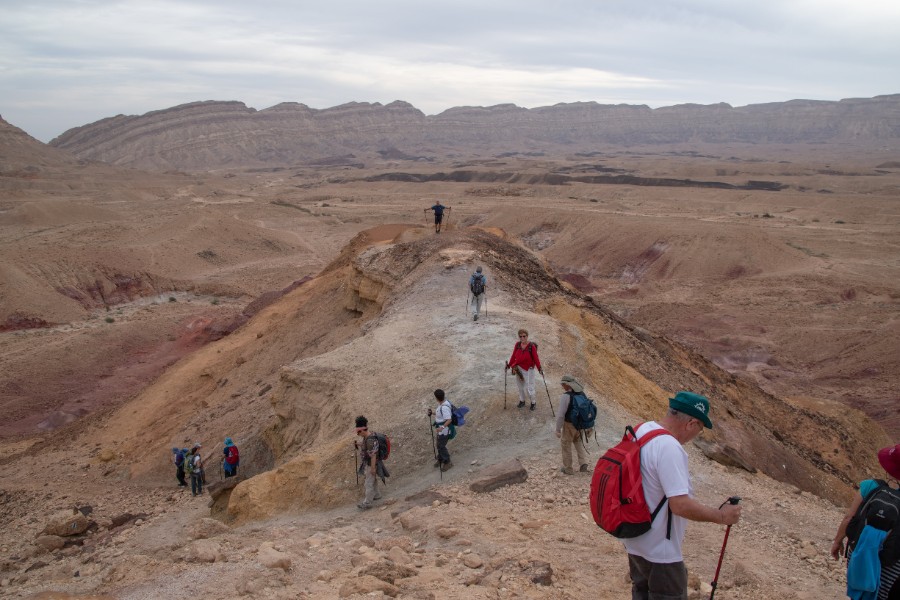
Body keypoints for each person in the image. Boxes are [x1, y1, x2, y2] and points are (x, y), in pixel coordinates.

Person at [623, 391, 742, 600]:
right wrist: (721, 516)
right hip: (661, 552)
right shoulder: (669, 447)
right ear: (691, 423)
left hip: (634, 539)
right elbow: (679, 505)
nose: (696, 434)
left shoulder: (641, 430)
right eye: (699, 429)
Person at [831, 443, 900, 600]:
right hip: (892, 561)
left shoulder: (869, 486)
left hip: (859, 549)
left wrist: (837, 541)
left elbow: (849, 517)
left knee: (859, 593)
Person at [555, 375, 590, 475]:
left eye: (563, 384)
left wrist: (558, 429)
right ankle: (583, 464)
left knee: (566, 444)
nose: (562, 386)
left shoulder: (566, 396)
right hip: (580, 424)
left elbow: (561, 415)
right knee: (578, 442)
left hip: (569, 424)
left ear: (567, 385)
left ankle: (568, 469)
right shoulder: (582, 394)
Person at [506, 329, 543, 411]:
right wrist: (509, 365)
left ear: (527, 336)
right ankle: (522, 401)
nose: (522, 338)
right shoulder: (517, 345)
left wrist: (539, 368)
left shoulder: (531, 347)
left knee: (529, 387)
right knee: (520, 386)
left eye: (524, 336)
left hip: (528, 370)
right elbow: (513, 356)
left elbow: (536, 358)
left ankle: (533, 402)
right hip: (518, 368)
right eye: (520, 336)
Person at [355, 416, 385, 509]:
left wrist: (372, 468)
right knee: (373, 480)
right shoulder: (368, 437)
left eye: (358, 432)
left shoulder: (370, 439)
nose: (358, 434)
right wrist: (358, 444)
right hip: (369, 464)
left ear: (362, 430)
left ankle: (367, 503)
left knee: (368, 483)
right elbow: (366, 446)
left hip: (371, 464)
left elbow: (373, 455)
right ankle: (377, 495)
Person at [432, 389, 453, 472]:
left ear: (436, 398)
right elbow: (440, 414)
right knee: (438, 444)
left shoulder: (444, 407)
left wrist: (442, 428)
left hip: (444, 430)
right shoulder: (444, 403)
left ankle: (447, 462)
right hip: (441, 430)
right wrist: (432, 413)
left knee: (441, 445)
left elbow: (449, 419)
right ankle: (441, 458)